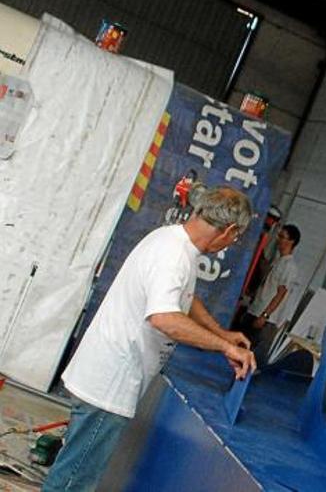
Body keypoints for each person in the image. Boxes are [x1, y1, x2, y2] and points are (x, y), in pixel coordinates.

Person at [43, 186, 257, 491]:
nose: (233, 243)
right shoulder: (173, 256)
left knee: (74, 470)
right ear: (230, 230)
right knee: (73, 481)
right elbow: (164, 317)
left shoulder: (173, 240)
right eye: (236, 237)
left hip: (109, 371)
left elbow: (184, 296)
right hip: (112, 381)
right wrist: (223, 347)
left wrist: (220, 333)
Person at [236, 223, 301, 361]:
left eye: (282, 237)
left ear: (291, 241)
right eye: (279, 236)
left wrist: (265, 315)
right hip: (255, 311)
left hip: (265, 319)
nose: (278, 239)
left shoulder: (289, 266)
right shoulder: (278, 261)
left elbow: (281, 293)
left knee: (253, 356)